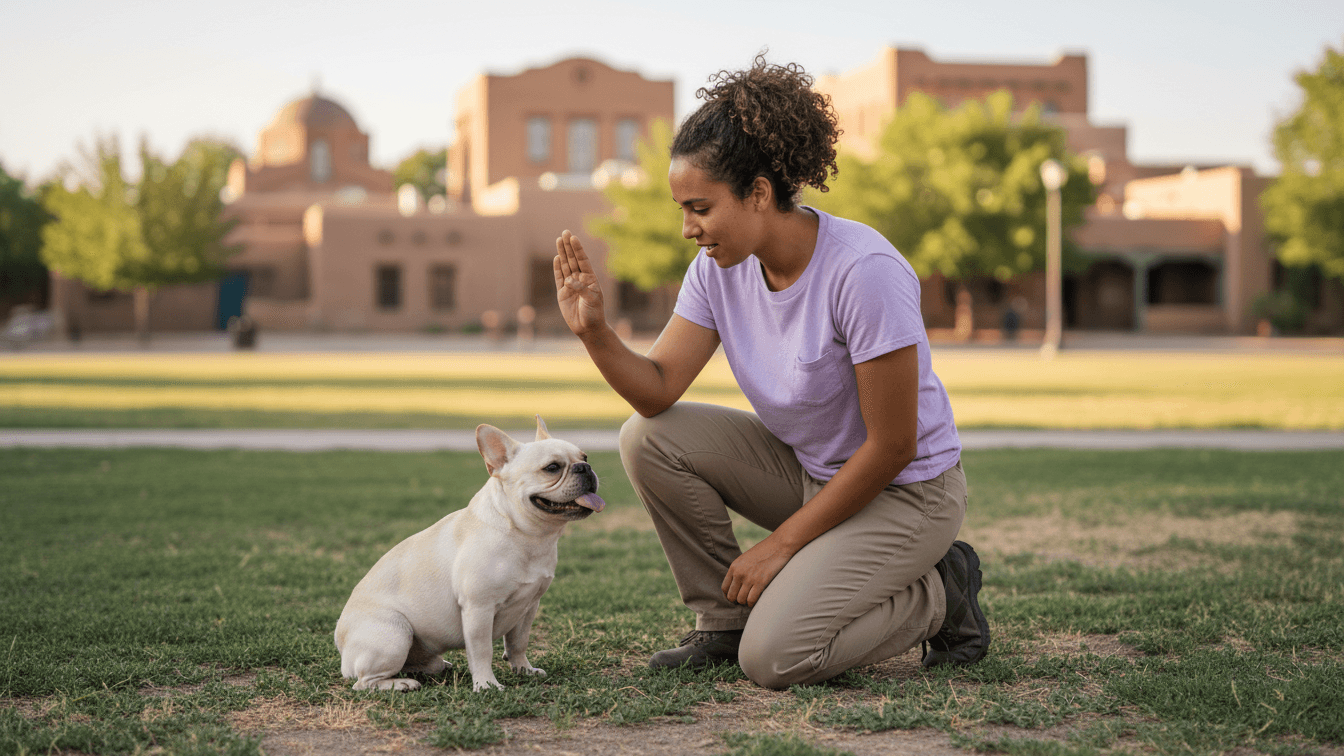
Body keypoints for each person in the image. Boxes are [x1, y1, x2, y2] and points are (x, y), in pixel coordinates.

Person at [552, 55, 988, 690]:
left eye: (700, 208)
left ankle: (942, 593)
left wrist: (780, 545)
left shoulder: (863, 270)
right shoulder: (716, 271)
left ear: (758, 193)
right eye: (682, 209)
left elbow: (893, 446)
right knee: (649, 438)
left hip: (906, 493)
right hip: (813, 475)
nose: (687, 229)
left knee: (776, 658)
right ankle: (723, 621)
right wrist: (594, 333)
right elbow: (657, 392)